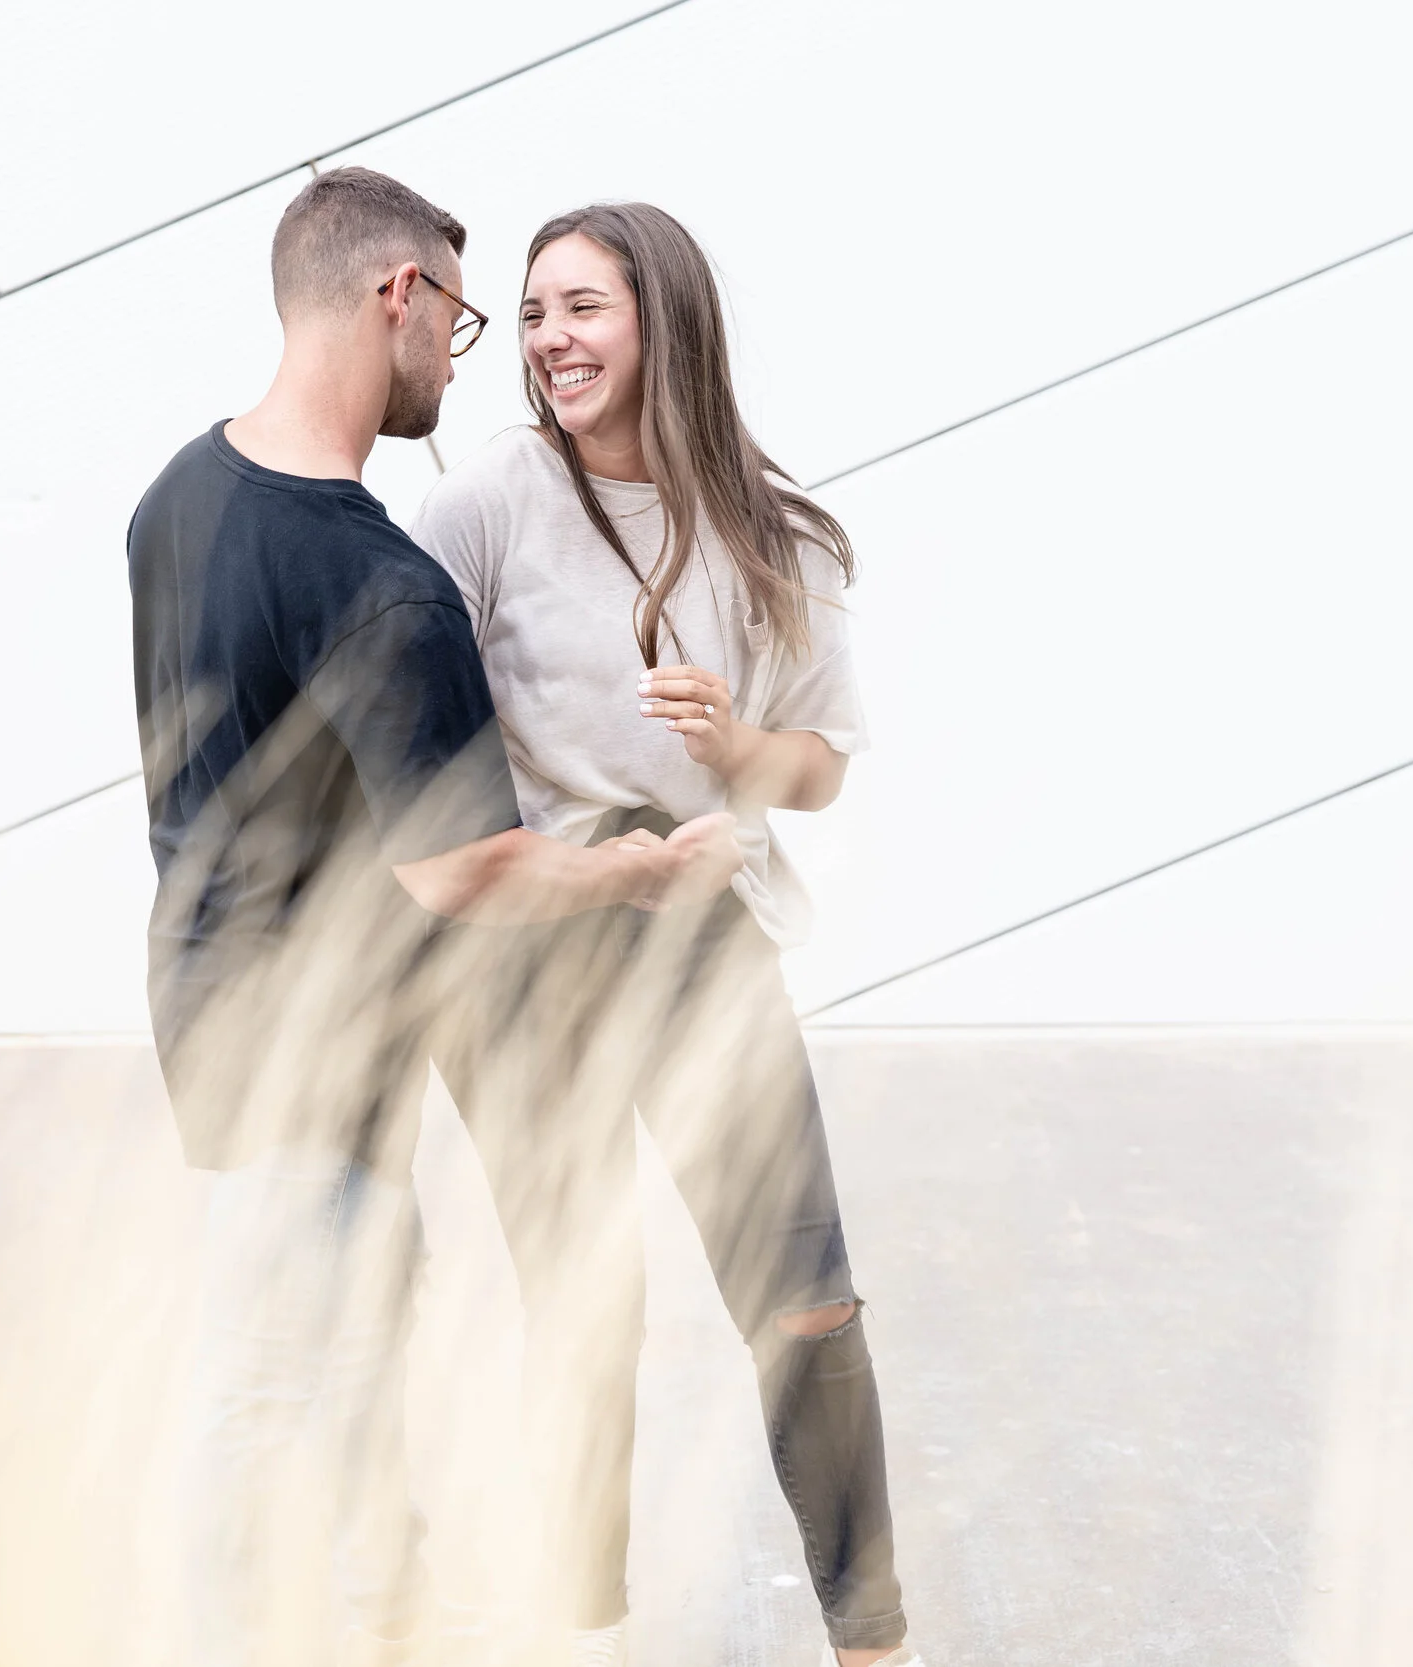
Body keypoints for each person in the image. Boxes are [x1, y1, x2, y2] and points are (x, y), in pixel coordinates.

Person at [126, 168, 742, 1666]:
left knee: (341, 1378)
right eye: (465, 319)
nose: (467, 360)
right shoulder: (385, 587)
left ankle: (382, 1627)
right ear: (397, 296)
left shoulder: (178, 497)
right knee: (270, 1393)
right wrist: (643, 869)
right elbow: (469, 871)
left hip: (208, 1008)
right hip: (317, 1061)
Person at [413, 203, 918, 1667]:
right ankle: (586, 1633)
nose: (550, 339)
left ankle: (871, 1642)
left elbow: (816, 772)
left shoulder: (775, 532)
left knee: (807, 1303)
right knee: (583, 1308)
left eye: (584, 307)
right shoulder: (489, 502)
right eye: (534, 313)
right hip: (534, 955)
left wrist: (733, 743)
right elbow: (409, 721)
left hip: (706, 941)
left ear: (664, 320)